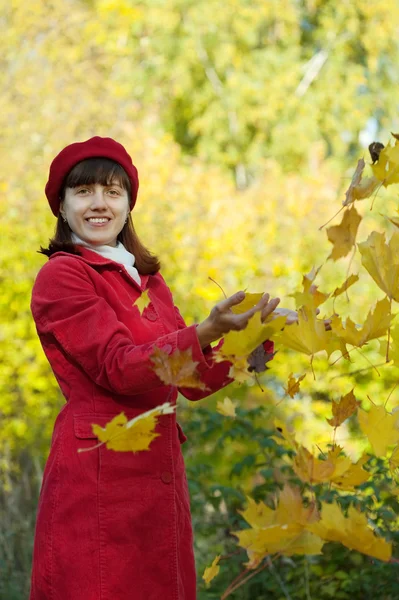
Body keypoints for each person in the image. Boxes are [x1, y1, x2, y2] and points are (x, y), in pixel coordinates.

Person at [29, 136, 281, 600]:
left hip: (158, 478)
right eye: (84, 192)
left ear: (128, 205)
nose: (99, 203)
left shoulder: (149, 282)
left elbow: (191, 381)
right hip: (99, 479)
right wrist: (205, 331)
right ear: (62, 208)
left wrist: (254, 344)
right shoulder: (63, 276)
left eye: (112, 191)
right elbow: (120, 368)